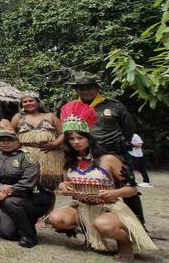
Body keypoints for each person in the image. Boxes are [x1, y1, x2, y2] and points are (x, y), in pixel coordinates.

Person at [47, 101, 156, 261]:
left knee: (104, 224)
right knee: (56, 218)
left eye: (80, 138)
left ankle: (126, 245)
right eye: (71, 139)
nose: (76, 142)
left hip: (109, 208)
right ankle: (90, 237)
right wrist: (64, 185)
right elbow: (66, 184)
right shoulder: (69, 161)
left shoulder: (109, 159)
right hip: (82, 207)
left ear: (89, 139)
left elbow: (132, 190)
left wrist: (114, 192)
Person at [68, 71, 144, 225]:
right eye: (81, 88)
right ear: (76, 90)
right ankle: (89, 223)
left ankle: (138, 223)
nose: (85, 91)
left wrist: (118, 144)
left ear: (97, 88)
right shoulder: (71, 107)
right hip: (85, 155)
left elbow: (128, 127)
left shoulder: (114, 105)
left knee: (127, 186)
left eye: (89, 87)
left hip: (114, 153)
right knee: (88, 188)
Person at [0, 130, 50, 248]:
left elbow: (29, 181)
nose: (6, 143)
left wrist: (9, 191)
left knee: (11, 201)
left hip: (28, 199)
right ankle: (23, 225)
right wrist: (0, 187)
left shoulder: (26, 157)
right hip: (4, 200)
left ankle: (29, 235)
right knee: (9, 234)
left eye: (10, 140)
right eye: (2, 140)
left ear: (17, 142)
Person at [10, 95, 63, 190]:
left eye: (31, 100)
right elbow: (10, 135)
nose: (28, 103)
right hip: (27, 155)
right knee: (29, 184)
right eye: (25, 102)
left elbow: (63, 133)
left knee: (48, 185)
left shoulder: (50, 116)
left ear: (38, 102)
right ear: (21, 104)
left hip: (49, 155)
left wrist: (55, 144)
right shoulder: (18, 118)